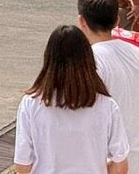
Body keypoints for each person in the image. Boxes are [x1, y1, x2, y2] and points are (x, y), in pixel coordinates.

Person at [13, 25, 129, 174]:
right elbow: (120, 165)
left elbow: (22, 165)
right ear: (88, 58)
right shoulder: (107, 106)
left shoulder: (31, 103)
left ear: (49, 59)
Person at [78, 0, 139, 174]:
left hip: (105, 161)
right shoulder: (135, 53)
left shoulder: (89, 61)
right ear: (117, 21)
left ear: (81, 21)